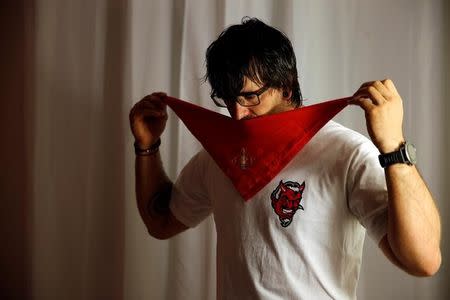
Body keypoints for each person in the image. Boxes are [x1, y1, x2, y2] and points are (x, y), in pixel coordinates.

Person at [129, 17, 441, 299]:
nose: (238, 115)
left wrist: (394, 147)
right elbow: (161, 222)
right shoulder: (219, 156)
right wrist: (147, 147)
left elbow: (424, 261)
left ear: (287, 87)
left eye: (250, 97)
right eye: (226, 100)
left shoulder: (347, 153)